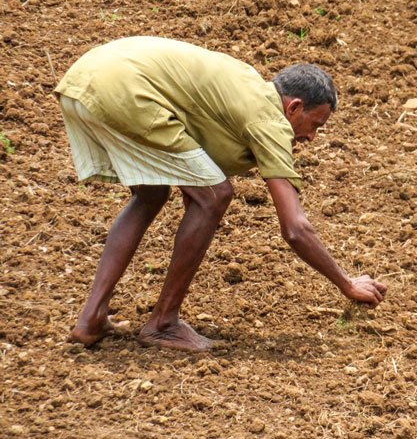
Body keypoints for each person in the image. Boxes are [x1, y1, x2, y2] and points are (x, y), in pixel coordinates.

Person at [55, 36, 387, 352]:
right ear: (294, 107)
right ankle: (164, 322)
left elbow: (200, 139)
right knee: (214, 196)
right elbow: (295, 228)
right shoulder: (269, 120)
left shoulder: (245, 86)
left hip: (86, 78)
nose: (311, 137)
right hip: (124, 91)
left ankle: (91, 318)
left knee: (150, 193)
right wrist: (347, 283)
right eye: (316, 124)